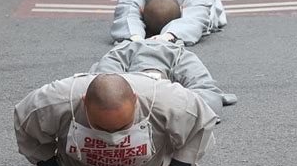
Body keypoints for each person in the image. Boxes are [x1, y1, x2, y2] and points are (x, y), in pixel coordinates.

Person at [14, 71, 218, 166]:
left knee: (212, 99)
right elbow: (26, 125)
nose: (112, 138)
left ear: (136, 100)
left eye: (122, 127)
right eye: (101, 128)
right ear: (84, 102)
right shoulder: (54, 101)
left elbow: (202, 122)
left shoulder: (168, 99)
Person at [89, 40, 237, 119]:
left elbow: (210, 98)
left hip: (167, 45)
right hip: (127, 48)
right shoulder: (116, 58)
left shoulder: (181, 57)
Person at [110, 0, 227, 45]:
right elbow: (195, 20)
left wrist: (135, 37)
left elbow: (126, 14)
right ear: (183, 10)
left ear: (141, 10)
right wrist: (168, 36)